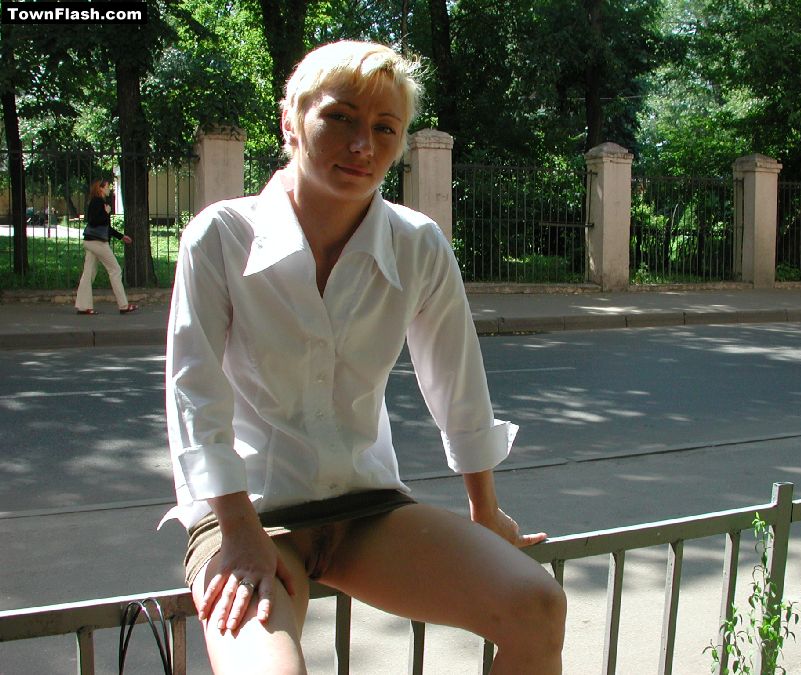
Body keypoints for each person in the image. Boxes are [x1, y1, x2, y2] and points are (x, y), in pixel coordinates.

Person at [162, 40, 566, 674]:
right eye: (340, 117)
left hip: (366, 511)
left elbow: (457, 382)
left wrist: (484, 510)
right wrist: (236, 533)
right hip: (249, 515)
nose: (362, 145)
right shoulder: (220, 236)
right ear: (290, 120)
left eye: (385, 128)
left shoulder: (417, 243)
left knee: (537, 605)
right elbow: (194, 394)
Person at [74, 178, 139, 315]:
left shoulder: (96, 201)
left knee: (88, 273)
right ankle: (123, 305)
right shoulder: (98, 202)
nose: (109, 189)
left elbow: (105, 226)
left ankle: (83, 306)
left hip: (91, 241)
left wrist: (121, 236)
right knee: (115, 270)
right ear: (101, 188)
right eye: (107, 186)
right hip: (98, 242)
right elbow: (94, 221)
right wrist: (106, 212)